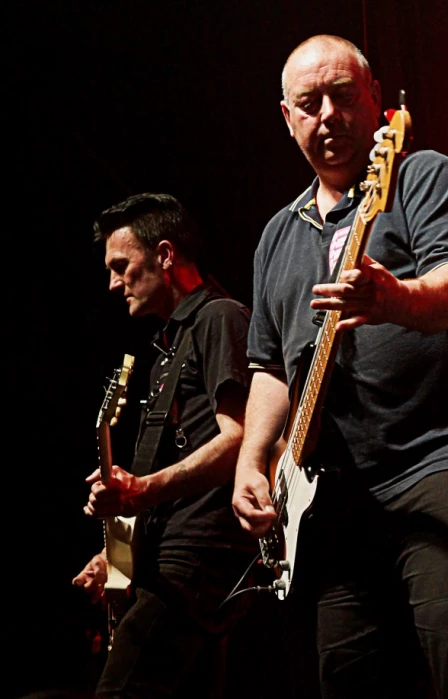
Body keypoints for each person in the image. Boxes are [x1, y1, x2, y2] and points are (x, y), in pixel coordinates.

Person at [231, 34, 448, 698]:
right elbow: (267, 367)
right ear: (286, 118)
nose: (328, 115)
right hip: (335, 499)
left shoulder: (420, 175)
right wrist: (252, 461)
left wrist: (391, 296)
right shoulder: (277, 235)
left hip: (438, 459)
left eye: (343, 96)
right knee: (346, 674)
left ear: (374, 98)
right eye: (308, 103)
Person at [73, 192, 257, 698]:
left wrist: (142, 489)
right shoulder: (166, 350)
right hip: (171, 558)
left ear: (166, 255)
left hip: (197, 557)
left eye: (121, 266)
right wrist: (115, 555)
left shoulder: (220, 318)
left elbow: (240, 438)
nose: (113, 283)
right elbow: (161, 472)